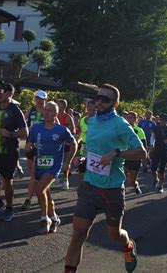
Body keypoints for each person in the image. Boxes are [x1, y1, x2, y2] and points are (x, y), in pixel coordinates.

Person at [64, 84, 146, 273]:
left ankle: (128, 247)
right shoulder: (91, 121)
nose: (99, 102)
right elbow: (90, 148)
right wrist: (82, 158)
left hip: (112, 189)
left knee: (114, 235)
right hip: (90, 186)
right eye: (97, 98)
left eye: (105, 99)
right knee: (78, 234)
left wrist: (116, 153)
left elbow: (141, 153)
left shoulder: (121, 125)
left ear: (115, 104)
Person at [26, 101, 77, 234]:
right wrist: (29, 149)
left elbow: (74, 144)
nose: (46, 112)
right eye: (45, 110)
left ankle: (45, 219)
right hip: (39, 165)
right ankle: (54, 218)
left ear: (56, 113)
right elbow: (29, 144)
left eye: (49, 110)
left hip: (54, 166)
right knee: (46, 194)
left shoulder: (61, 130)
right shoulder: (36, 128)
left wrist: (68, 161)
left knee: (39, 189)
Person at [0, 83, 28, 222]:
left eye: (1, 91)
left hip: (9, 152)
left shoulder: (15, 110)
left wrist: (10, 134)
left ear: (9, 94)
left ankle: (9, 208)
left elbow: (25, 132)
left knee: (7, 182)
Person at [22, 90, 48, 211]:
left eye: (42, 98)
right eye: (37, 98)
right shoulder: (30, 110)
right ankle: (33, 196)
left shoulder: (48, 111)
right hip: (30, 144)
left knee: (36, 173)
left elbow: (56, 124)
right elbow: (23, 124)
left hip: (43, 146)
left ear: (45, 100)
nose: (39, 100)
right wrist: (28, 129)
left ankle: (30, 198)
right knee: (33, 172)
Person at [149, 114, 167, 193]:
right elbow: (152, 136)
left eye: (164, 120)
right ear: (159, 120)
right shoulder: (155, 128)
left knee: (161, 170)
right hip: (156, 150)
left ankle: (160, 185)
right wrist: (152, 144)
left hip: (165, 151)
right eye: (161, 120)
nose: (162, 122)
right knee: (152, 169)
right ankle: (155, 179)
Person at [73, 99, 97, 185]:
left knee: (93, 173)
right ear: (86, 109)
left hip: (95, 149)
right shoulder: (83, 120)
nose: (92, 112)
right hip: (84, 148)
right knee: (81, 173)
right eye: (90, 109)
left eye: (94, 110)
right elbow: (80, 133)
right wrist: (76, 141)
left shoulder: (99, 121)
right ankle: (82, 190)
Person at [124, 111, 147, 194]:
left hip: (135, 158)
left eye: (131, 118)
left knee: (132, 181)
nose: (129, 119)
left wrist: (144, 159)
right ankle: (121, 196)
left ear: (135, 119)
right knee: (122, 179)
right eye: (127, 117)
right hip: (124, 157)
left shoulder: (139, 130)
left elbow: (144, 146)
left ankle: (135, 185)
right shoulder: (123, 129)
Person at [56, 99, 76, 190]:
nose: (57, 106)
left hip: (65, 144)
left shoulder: (67, 117)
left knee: (65, 163)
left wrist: (66, 138)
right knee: (55, 163)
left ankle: (65, 179)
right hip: (55, 144)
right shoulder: (54, 115)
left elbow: (73, 130)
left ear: (63, 106)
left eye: (58, 105)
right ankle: (53, 178)